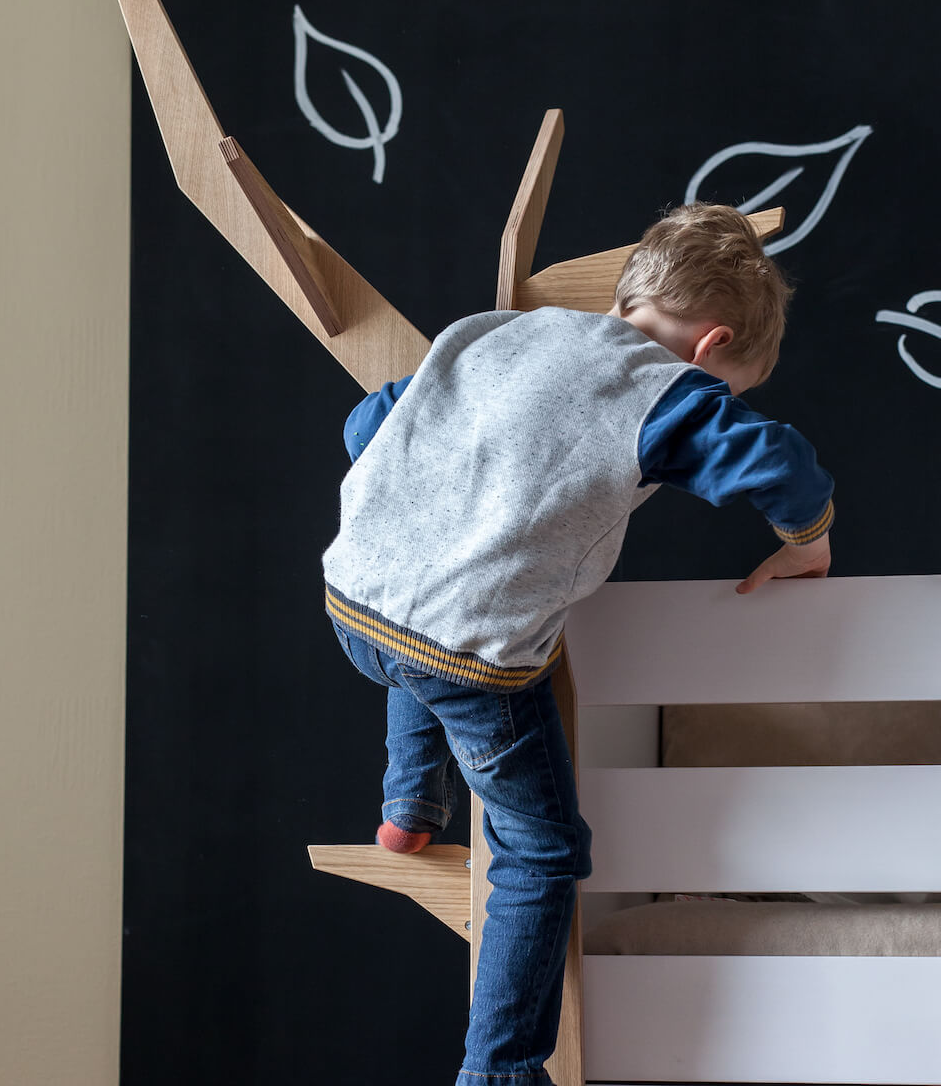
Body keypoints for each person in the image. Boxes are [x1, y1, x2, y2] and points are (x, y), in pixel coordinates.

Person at [322, 202, 834, 1086]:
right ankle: (500, 1073)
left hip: (352, 596)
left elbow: (369, 423)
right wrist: (807, 543)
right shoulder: (666, 391)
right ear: (711, 346)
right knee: (542, 850)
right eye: (731, 386)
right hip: (469, 655)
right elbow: (777, 465)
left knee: (426, 628)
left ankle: (409, 807)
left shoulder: (500, 333)